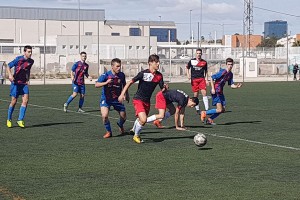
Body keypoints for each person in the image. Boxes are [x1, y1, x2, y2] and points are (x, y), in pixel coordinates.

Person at [118, 54, 166, 144]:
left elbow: (162, 88)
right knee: (143, 119)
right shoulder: (143, 73)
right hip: (138, 99)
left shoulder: (159, 76)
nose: (158, 64)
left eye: (159, 62)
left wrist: (165, 88)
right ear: (150, 63)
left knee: (141, 120)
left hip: (147, 101)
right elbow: (129, 82)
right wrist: (122, 94)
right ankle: (136, 136)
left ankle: (133, 129)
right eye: (156, 62)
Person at [200, 58, 242, 125]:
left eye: (231, 64)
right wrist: (213, 88)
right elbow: (212, 78)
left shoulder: (230, 74)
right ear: (226, 64)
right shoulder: (223, 72)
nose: (230, 66)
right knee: (219, 109)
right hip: (216, 91)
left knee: (223, 110)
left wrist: (236, 86)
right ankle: (204, 112)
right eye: (228, 64)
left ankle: (210, 119)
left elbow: (231, 85)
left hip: (220, 92)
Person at [95, 58, 128, 138]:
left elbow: (124, 85)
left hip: (117, 99)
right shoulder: (106, 75)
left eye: (119, 66)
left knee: (123, 117)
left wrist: (126, 94)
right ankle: (109, 132)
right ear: (112, 66)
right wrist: (106, 82)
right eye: (117, 66)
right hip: (106, 99)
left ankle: (120, 124)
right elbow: (96, 85)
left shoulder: (121, 75)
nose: (119, 68)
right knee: (105, 116)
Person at [5, 45, 34, 128]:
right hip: (16, 83)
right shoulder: (18, 59)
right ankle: (9, 119)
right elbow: (8, 66)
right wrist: (10, 75)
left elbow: (28, 70)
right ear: (24, 52)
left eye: (31, 52)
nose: (30, 53)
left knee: (26, 100)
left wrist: (28, 79)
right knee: (14, 101)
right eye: (28, 52)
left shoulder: (31, 61)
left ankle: (20, 120)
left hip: (24, 83)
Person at [186, 48, 209, 114]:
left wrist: (206, 79)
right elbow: (187, 68)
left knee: (204, 93)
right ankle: (197, 109)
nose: (198, 54)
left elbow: (206, 71)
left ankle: (207, 109)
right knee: (196, 95)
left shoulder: (204, 62)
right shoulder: (192, 61)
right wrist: (188, 75)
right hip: (194, 79)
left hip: (201, 79)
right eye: (197, 53)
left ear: (201, 54)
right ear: (195, 54)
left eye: (200, 53)